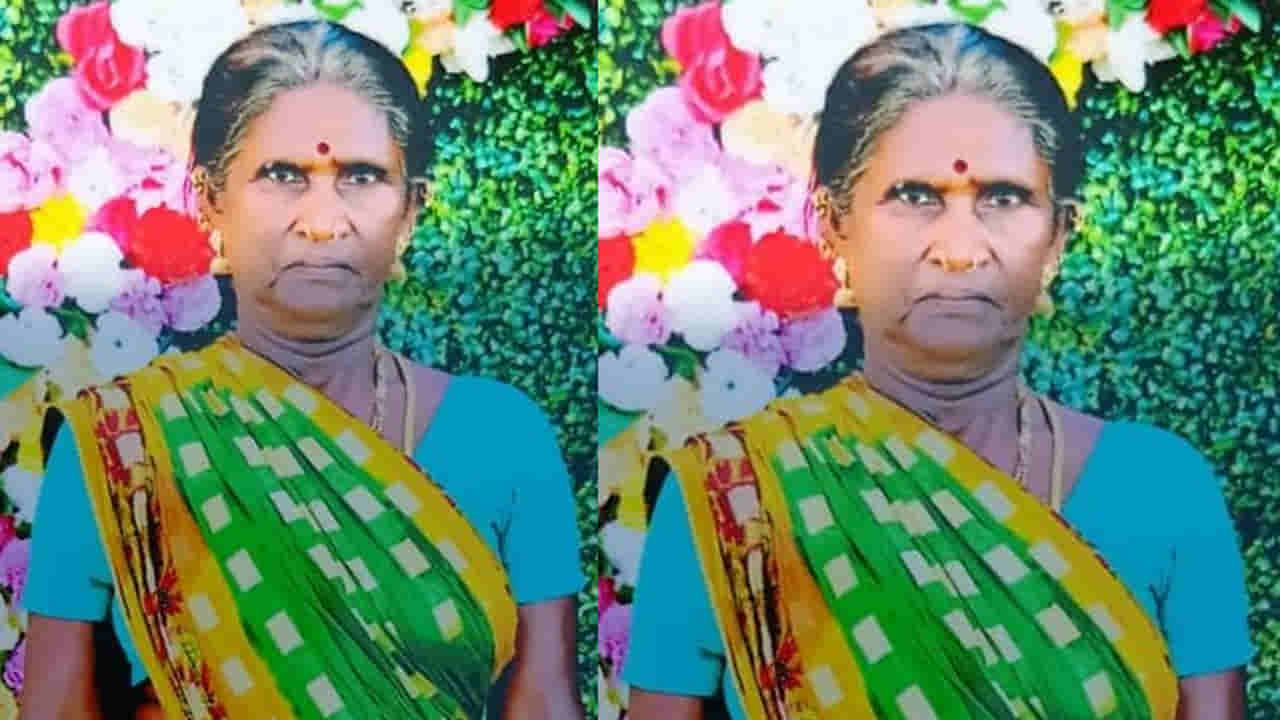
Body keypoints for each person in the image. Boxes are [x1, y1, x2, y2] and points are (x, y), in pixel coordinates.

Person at [624, 23, 1252, 720]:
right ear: (832, 225)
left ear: (1058, 237)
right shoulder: (736, 496)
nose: (959, 249)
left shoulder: (1161, 489)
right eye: (914, 196)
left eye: (1004, 198)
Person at [19, 19, 584, 720]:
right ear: (210, 200)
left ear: (411, 211)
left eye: (362, 177)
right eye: (282, 176)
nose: (323, 221)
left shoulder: (502, 436)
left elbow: (543, 702)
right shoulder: (124, 442)